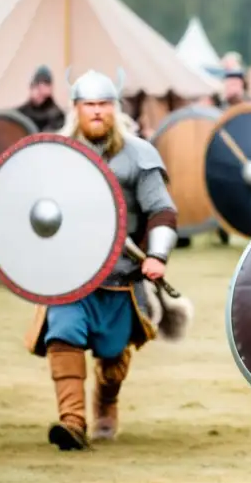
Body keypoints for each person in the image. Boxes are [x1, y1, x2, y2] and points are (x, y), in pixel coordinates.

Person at [24, 70, 191, 450]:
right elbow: (32, 211)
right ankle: (72, 422)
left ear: (114, 109)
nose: (97, 112)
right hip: (69, 276)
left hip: (121, 275)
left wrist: (157, 255)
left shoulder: (138, 154)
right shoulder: (55, 154)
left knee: (113, 355)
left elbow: (162, 212)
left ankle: (107, 403)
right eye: (89, 105)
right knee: (62, 335)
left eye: (104, 104)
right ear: (76, 109)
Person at [17, 65, 64, 132]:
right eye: (37, 86)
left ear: (50, 88)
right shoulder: (21, 112)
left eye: (45, 85)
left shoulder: (57, 115)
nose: (40, 90)